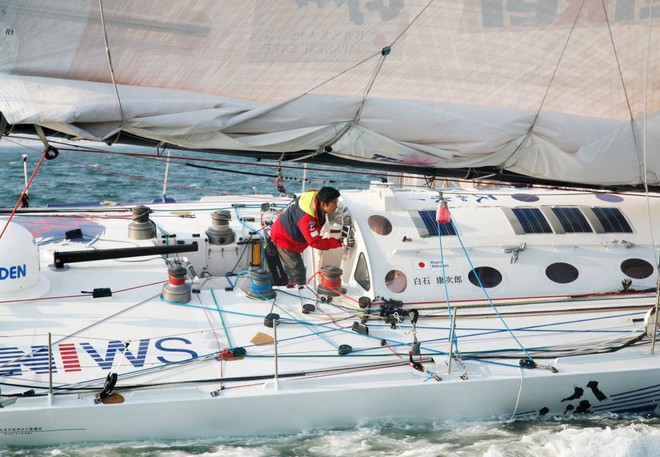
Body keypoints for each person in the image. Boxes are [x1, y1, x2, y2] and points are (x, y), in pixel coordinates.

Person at [269, 187, 349, 285]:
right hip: (284, 240)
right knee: (298, 275)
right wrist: (340, 242)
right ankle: (296, 294)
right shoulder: (307, 221)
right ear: (323, 204)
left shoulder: (313, 195)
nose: (336, 207)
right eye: (334, 203)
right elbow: (316, 242)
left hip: (284, 227)